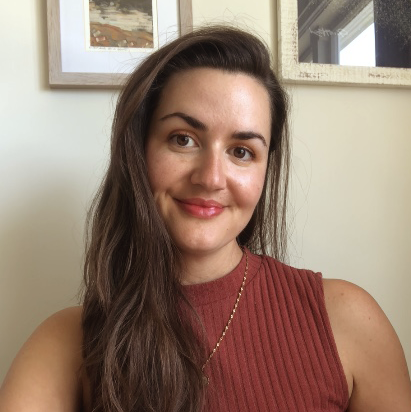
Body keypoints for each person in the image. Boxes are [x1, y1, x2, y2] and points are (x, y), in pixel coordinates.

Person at [0, 26, 410, 412]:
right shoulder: (68, 342)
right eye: (183, 139)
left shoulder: (347, 319)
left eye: (242, 151)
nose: (211, 178)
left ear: (265, 171)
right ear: (138, 151)